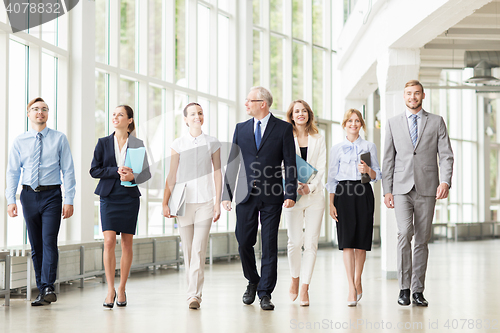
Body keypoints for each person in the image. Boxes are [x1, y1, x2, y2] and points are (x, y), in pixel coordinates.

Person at [222, 86, 297, 311]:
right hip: (245, 194)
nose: (246, 104)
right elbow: (233, 162)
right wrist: (226, 194)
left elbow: (290, 163)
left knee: (269, 245)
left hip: (273, 195)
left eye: (249, 100)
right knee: (244, 241)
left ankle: (265, 292)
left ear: (262, 103)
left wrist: (290, 192)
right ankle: (252, 279)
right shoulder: (241, 128)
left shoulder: (283, 129)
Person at [382, 80, 453, 307]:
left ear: (423, 95)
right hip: (401, 188)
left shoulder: (437, 121)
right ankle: (403, 288)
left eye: (416, 93)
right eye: (408, 94)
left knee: (422, 240)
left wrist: (445, 181)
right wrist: (387, 190)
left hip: (428, 187)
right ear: (404, 97)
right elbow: (388, 159)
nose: (412, 97)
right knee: (404, 233)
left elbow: (446, 155)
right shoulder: (393, 123)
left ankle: (417, 291)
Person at [6, 97, 76, 306]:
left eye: (44, 109)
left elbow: (68, 171)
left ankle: (47, 286)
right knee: (36, 244)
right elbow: (12, 172)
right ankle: (42, 289)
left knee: (49, 241)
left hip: (52, 196)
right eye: (35, 109)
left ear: (47, 114)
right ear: (29, 114)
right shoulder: (20, 140)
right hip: (28, 196)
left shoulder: (59, 138)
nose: (40, 112)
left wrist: (69, 199)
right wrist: (11, 199)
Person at [162, 102, 222, 310]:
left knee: (198, 249)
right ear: (185, 119)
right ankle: (192, 292)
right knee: (188, 249)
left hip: (205, 202)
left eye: (200, 113)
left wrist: (217, 202)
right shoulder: (178, 144)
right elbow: (171, 175)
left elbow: (217, 173)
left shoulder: (212, 143)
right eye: (193, 114)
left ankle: (194, 295)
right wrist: (165, 202)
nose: (198, 116)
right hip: (183, 203)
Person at [90, 105, 151, 309]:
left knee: (126, 244)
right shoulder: (103, 142)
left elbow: (145, 174)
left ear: (130, 120)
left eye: (120, 115)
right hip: (108, 196)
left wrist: (133, 176)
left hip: (129, 197)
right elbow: (94, 170)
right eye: (113, 114)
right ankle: (110, 289)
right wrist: (115, 170)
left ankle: (122, 287)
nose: (115, 117)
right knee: (108, 241)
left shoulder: (137, 144)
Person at [326, 109, 381, 307]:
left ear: (361, 124)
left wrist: (368, 170)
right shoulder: (337, 149)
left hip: (363, 192)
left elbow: (378, 175)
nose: (353, 124)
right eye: (350, 120)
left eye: (357, 121)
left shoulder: (369, 146)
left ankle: (358, 279)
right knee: (347, 242)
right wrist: (331, 202)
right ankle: (351, 286)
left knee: (361, 241)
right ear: (344, 124)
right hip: (343, 193)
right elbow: (332, 178)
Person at [283, 100, 326, 306]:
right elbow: (280, 165)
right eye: (296, 111)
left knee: (311, 243)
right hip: (292, 196)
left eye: (304, 111)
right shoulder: (284, 137)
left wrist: (311, 187)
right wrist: (293, 185)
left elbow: (322, 166)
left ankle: (305, 288)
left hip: (314, 197)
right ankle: (294, 278)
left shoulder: (319, 137)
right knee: (294, 241)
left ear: (309, 114)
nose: (301, 114)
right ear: (291, 116)